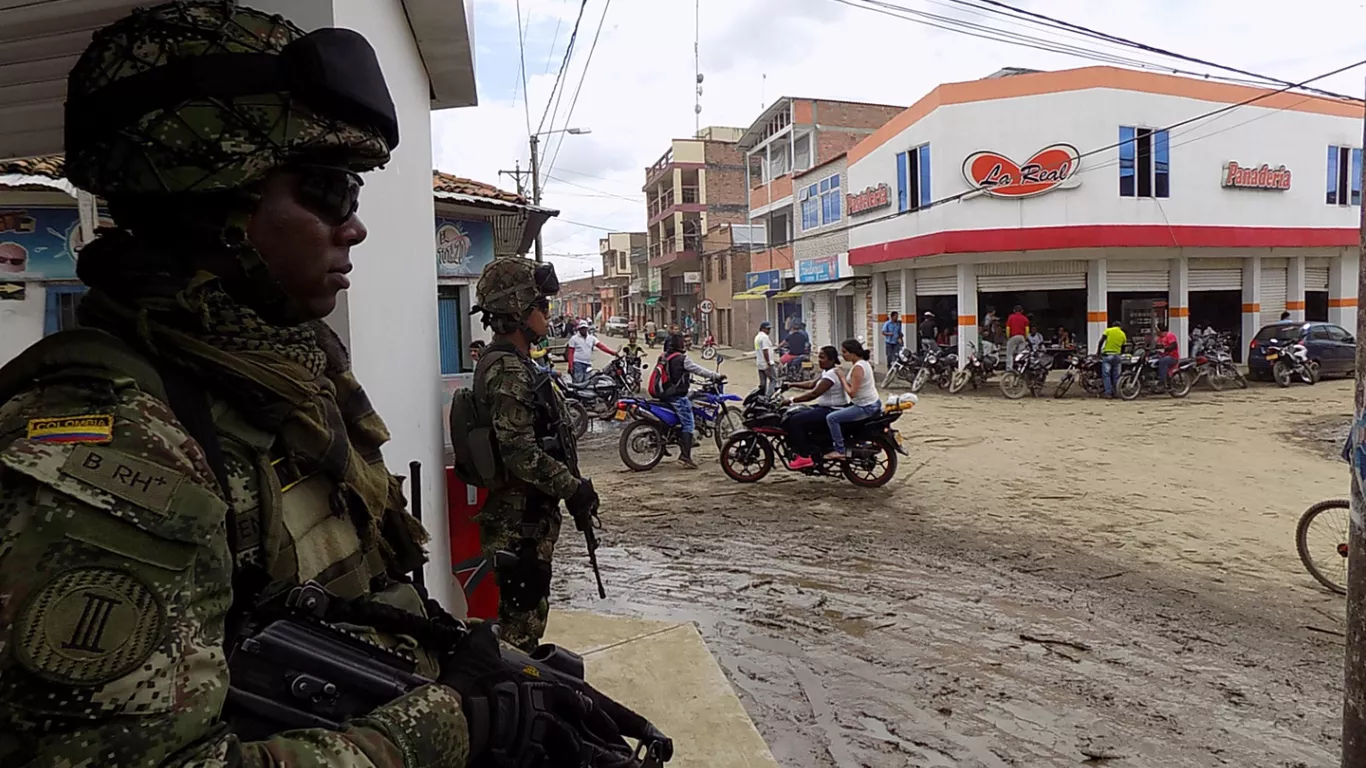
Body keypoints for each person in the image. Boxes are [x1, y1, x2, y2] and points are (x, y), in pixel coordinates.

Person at [0, 3, 635, 765]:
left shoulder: (278, 374)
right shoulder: (107, 440)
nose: (353, 226)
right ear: (210, 200)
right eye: (328, 191)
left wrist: (464, 664)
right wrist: (446, 728)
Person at [656, 333, 724, 469]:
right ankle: (685, 457)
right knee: (689, 424)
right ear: (679, 344)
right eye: (683, 341)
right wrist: (715, 375)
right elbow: (698, 370)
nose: (685, 343)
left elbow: (673, 375)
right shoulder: (682, 359)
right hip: (677, 396)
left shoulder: (664, 356)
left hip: (664, 393)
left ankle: (664, 446)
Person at [781, 346, 850, 468]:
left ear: (831, 359)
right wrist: (790, 384)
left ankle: (804, 456)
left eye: (822, 357)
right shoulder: (827, 371)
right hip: (825, 407)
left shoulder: (832, 375)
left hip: (831, 409)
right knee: (797, 412)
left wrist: (791, 400)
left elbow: (814, 393)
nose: (819, 360)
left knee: (795, 420)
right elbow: (811, 384)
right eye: (819, 357)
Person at [825, 339, 882, 460]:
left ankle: (840, 450)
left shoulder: (858, 368)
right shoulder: (863, 363)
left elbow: (852, 393)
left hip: (865, 406)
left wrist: (842, 378)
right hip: (871, 402)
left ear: (853, 353)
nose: (843, 355)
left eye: (845, 352)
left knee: (832, 418)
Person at [1098, 319, 1128, 398]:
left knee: (1106, 375)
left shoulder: (1108, 330)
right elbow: (1124, 346)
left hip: (1108, 355)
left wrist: (1098, 352)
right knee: (1116, 375)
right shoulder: (1122, 334)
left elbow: (1101, 341)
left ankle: (1108, 393)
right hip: (1117, 356)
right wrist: (1121, 354)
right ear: (1120, 326)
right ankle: (1117, 392)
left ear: (1113, 325)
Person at [755, 320, 777, 395]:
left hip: (759, 363)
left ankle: (761, 396)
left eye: (769, 329)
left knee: (763, 383)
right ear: (762, 329)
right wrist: (768, 362)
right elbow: (765, 351)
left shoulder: (757, 337)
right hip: (766, 363)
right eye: (768, 329)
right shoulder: (764, 337)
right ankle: (768, 397)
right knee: (774, 380)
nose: (769, 331)